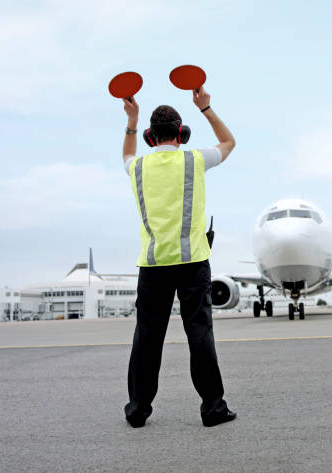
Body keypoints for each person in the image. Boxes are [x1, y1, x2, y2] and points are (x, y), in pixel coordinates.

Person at [121, 87, 236, 428]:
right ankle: (213, 409)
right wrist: (207, 108)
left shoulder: (138, 166)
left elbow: (126, 154)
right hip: (193, 264)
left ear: (149, 137)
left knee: (146, 338)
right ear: (181, 132)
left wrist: (131, 121)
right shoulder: (195, 159)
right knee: (199, 335)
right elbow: (228, 143)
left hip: (153, 264)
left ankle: (138, 411)